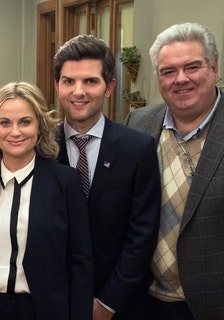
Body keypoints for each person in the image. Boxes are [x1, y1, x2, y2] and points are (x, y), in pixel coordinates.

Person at [0, 82, 93, 320]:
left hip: (45, 310)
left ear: (40, 126)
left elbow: (80, 263)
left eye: (25, 122)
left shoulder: (66, 182)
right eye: (5, 123)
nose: (15, 132)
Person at [53, 34, 161, 320]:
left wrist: (108, 303)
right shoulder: (41, 148)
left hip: (119, 305)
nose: (79, 91)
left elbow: (142, 234)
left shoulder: (137, 148)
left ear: (109, 87)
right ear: (57, 85)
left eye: (90, 81)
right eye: (68, 81)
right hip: (52, 300)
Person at [124, 22, 224, 320]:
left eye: (192, 67)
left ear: (214, 67)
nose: (181, 79)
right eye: (168, 71)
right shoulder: (138, 123)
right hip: (145, 301)